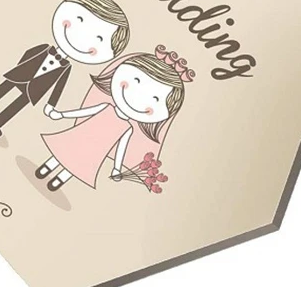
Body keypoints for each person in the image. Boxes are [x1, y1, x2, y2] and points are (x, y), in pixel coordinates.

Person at [0, 0, 130, 137]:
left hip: (36, 88)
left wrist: (51, 104)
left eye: (99, 38)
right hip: (22, 74)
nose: (82, 37)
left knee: (17, 105)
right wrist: (19, 67)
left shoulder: (66, 67)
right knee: (2, 89)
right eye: (79, 19)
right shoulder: (44, 48)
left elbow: (59, 87)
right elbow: (29, 54)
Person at [35, 49, 190, 191]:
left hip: (95, 151)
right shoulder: (106, 107)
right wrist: (62, 114)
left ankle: (59, 180)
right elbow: (84, 112)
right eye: (136, 81)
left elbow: (121, 148)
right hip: (81, 136)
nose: (137, 98)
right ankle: (47, 167)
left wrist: (117, 168)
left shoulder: (127, 129)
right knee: (66, 151)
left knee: (79, 164)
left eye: (155, 99)